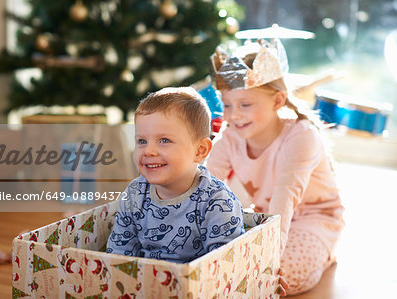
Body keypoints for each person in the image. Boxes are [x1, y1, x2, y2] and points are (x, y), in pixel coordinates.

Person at [206, 39, 344, 295]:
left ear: (278, 100)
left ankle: (324, 253)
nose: (234, 115)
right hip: (267, 218)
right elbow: (203, 186)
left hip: (312, 220)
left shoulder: (302, 136)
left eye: (245, 104)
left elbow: (284, 200)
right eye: (227, 104)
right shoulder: (230, 136)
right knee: (219, 258)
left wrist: (267, 261)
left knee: (277, 274)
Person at [106, 87, 245, 263]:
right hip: (141, 284)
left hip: (198, 286)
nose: (148, 150)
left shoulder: (217, 201)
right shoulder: (134, 193)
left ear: (200, 151)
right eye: (141, 141)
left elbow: (225, 265)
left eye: (164, 140)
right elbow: (119, 253)